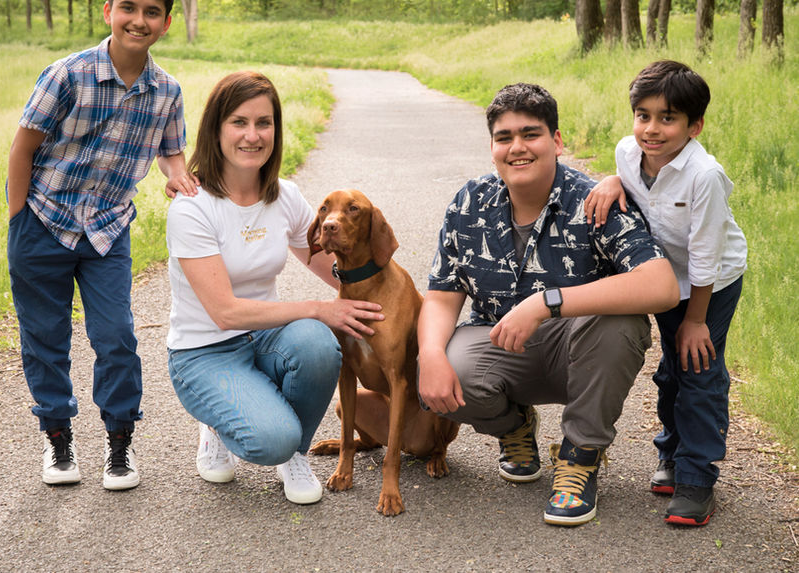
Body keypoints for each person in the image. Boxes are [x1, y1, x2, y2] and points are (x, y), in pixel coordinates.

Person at [417, 82, 680, 527]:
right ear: (493, 148)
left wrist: (546, 302)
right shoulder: (469, 203)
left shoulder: (594, 200)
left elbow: (662, 285)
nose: (517, 148)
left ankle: (580, 457)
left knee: (622, 324)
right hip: (502, 346)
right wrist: (428, 356)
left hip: (580, 350)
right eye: (504, 138)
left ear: (556, 142)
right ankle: (514, 427)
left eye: (530, 134)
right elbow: (443, 296)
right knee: (447, 365)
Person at [7, 0, 198, 491]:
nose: (139, 20)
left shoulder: (167, 91)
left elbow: (172, 153)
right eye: (129, 8)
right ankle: (58, 441)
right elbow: (22, 149)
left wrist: (180, 177)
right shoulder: (67, 74)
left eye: (152, 12)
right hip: (42, 223)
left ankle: (119, 445)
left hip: (107, 232)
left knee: (116, 336)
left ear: (164, 23)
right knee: (45, 338)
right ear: (109, 11)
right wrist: (17, 220)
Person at [165, 71, 384, 504]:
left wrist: (390, 299)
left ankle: (294, 453)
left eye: (264, 123)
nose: (253, 135)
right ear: (216, 129)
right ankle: (217, 425)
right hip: (203, 351)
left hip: (264, 340)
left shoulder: (284, 196)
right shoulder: (191, 208)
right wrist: (319, 309)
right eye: (239, 122)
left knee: (320, 345)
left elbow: (331, 265)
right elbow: (225, 313)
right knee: (271, 437)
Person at [583, 60, 746, 526]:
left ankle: (697, 477)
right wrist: (615, 179)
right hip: (662, 281)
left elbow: (706, 256)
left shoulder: (704, 175)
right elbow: (636, 196)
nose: (651, 129)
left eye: (667, 118)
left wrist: (696, 321)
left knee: (698, 370)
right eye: (643, 115)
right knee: (671, 372)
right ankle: (672, 454)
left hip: (709, 285)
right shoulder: (625, 152)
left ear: (694, 126)